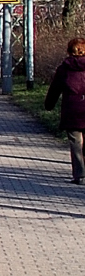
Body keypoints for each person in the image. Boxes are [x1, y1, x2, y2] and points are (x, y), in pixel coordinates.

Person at [44, 37, 85, 185]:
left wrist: (49, 105)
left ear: (69, 51)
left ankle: (80, 175)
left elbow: (55, 89)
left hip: (72, 111)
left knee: (76, 143)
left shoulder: (64, 69)